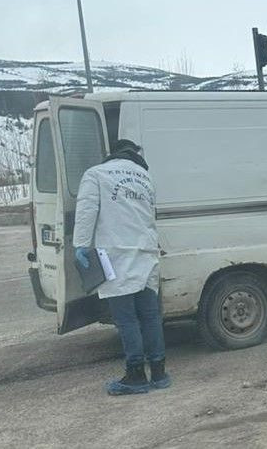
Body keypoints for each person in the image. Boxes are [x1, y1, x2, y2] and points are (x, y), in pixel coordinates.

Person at [73, 138, 170, 395]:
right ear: (133, 155)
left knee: (127, 318)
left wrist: (80, 244)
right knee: (150, 316)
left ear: (112, 154)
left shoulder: (96, 174)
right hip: (147, 253)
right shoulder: (145, 177)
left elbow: (86, 209)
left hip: (116, 255)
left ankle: (136, 376)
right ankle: (159, 373)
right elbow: (151, 216)